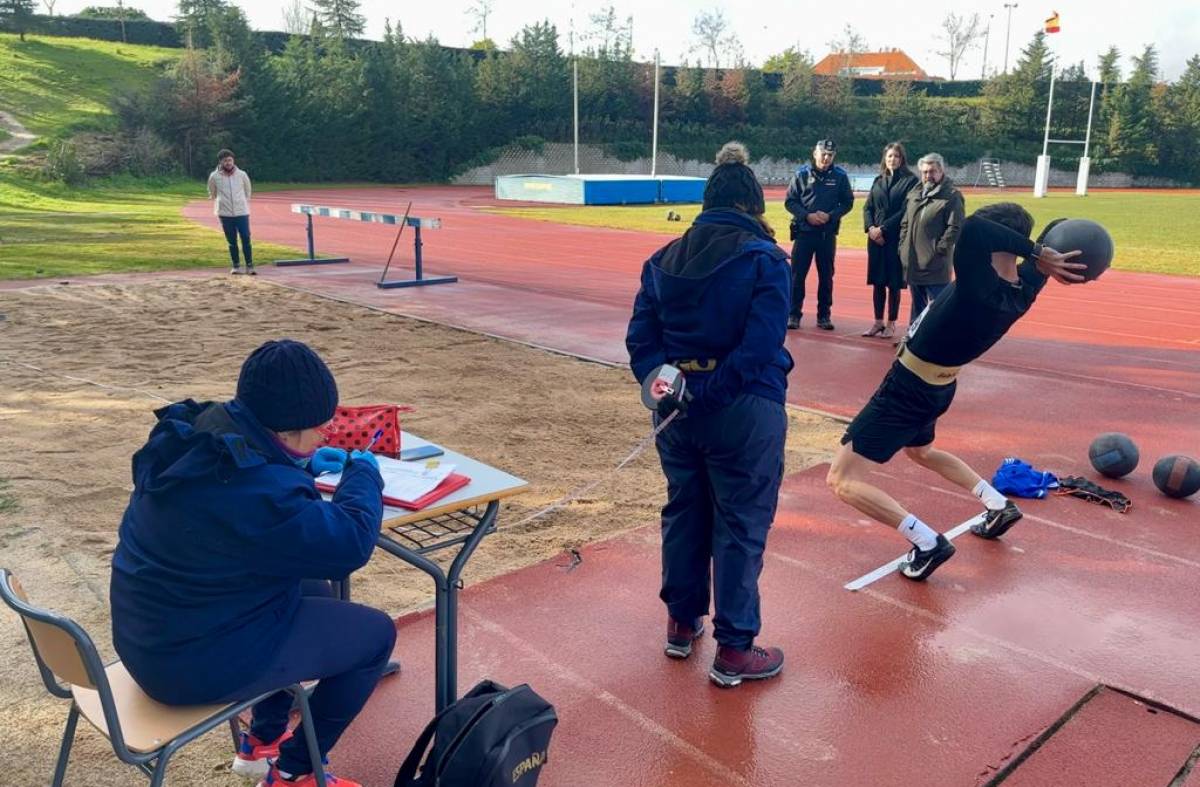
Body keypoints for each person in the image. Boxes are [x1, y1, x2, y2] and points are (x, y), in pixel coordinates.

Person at [110, 339, 392, 787]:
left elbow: (243, 495)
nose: (325, 435)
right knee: (375, 636)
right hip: (187, 665)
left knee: (307, 584)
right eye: (319, 428)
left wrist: (301, 465)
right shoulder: (262, 494)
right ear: (285, 431)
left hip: (150, 633)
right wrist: (364, 476)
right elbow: (350, 546)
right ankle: (296, 770)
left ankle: (263, 738)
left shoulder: (195, 433)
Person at [826, 205, 1085, 581]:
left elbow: (975, 227)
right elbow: (1058, 226)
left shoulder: (979, 285)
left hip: (906, 391)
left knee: (842, 480)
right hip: (936, 388)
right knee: (921, 451)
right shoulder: (1025, 285)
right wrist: (1046, 251)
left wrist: (1036, 250)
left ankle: (927, 543)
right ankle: (997, 504)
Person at [626, 142, 791, 688]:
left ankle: (681, 622)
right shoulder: (765, 259)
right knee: (740, 523)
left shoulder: (662, 258)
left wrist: (668, 387)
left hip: (677, 412)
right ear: (752, 205)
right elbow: (762, 344)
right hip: (743, 409)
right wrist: (712, 391)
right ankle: (735, 649)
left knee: (685, 512)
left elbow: (641, 340)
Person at [784, 138, 854, 331]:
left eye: (830, 155)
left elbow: (847, 202)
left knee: (826, 276)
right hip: (804, 233)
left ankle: (824, 316)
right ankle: (793, 314)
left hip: (826, 234)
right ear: (815, 153)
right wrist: (807, 216)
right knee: (797, 276)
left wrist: (831, 216)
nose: (826, 158)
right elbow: (790, 201)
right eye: (823, 154)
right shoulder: (801, 174)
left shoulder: (840, 176)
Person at [898, 153, 964, 327]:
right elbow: (905, 222)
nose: (928, 175)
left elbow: (955, 227)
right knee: (917, 307)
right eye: (925, 172)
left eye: (932, 171)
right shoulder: (915, 193)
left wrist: (939, 250)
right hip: (913, 262)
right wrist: (903, 246)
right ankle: (914, 337)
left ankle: (942, 339)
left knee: (940, 308)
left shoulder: (951, 196)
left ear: (941, 171)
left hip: (935, 264)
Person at [862, 142, 919, 339]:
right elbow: (868, 207)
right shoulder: (879, 180)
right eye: (889, 156)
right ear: (884, 159)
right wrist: (871, 228)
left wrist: (883, 229)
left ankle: (891, 323)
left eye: (896, 156)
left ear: (902, 159)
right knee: (878, 281)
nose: (892, 159)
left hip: (895, 238)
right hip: (875, 239)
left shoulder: (910, 181)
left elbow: (906, 210)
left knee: (893, 282)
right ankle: (878, 322)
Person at [208, 148, 255, 275]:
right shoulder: (214, 176)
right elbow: (212, 193)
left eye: (230, 160)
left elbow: (248, 191)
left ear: (233, 161)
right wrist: (222, 202)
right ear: (221, 162)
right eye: (225, 161)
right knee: (232, 241)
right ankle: (236, 265)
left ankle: (250, 265)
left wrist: (242, 202)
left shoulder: (242, 175)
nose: (228, 163)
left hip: (242, 212)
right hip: (225, 214)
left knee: (245, 237)